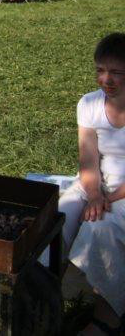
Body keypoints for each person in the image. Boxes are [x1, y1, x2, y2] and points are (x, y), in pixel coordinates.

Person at [53, 33, 125, 335]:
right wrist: (95, 194)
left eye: (116, 72)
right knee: (58, 217)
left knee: (101, 228)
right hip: (100, 182)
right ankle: (45, 294)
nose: (106, 79)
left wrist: (109, 198)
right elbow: (88, 159)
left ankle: (107, 315)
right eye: (100, 70)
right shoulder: (89, 103)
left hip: (122, 190)